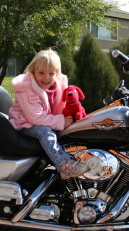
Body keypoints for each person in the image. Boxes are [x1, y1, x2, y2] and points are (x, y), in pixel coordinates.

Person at [8, 49, 90, 179]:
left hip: (43, 121)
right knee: (45, 132)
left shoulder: (56, 87)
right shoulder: (26, 89)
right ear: (33, 71)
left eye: (51, 73)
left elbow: (62, 107)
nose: (46, 77)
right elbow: (35, 118)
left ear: (57, 73)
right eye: (41, 73)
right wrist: (61, 121)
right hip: (23, 123)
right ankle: (64, 165)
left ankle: (74, 158)